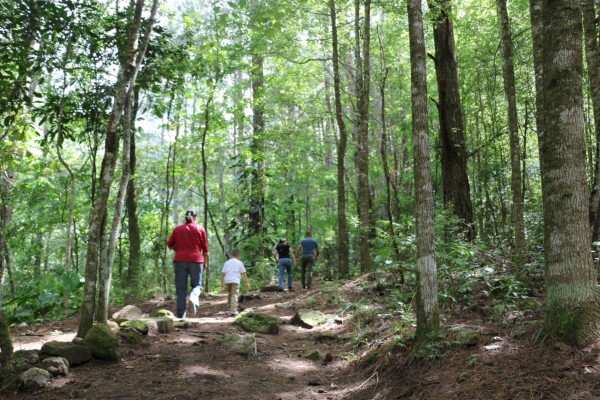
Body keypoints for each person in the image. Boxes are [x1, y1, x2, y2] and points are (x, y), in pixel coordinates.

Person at [167, 209, 209, 318]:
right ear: (195, 217)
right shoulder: (200, 229)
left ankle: (181, 316)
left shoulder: (177, 229)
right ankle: (193, 298)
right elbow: (205, 249)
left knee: (181, 289)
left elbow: (169, 244)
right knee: (197, 285)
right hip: (196, 260)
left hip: (180, 261)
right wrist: (205, 263)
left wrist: (177, 250)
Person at [221, 248, 250, 316]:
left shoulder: (226, 263)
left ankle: (230, 307)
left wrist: (222, 284)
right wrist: (247, 283)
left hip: (227, 280)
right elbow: (244, 274)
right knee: (234, 295)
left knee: (230, 294)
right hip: (235, 280)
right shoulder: (239, 263)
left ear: (231, 255)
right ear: (238, 255)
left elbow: (223, 274)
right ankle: (233, 310)